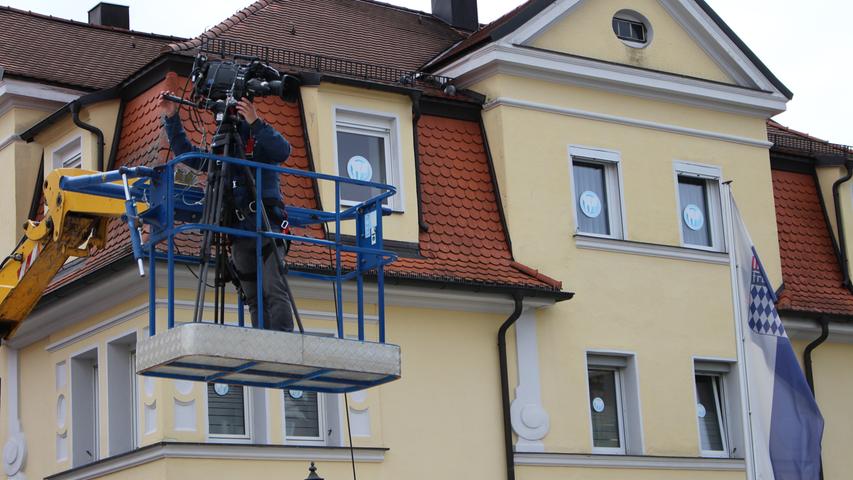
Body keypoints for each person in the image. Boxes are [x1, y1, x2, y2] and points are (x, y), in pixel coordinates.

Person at [158, 91, 294, 332]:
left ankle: (284, 341)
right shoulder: (223, 155)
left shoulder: (259, 140)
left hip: (267, 226)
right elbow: (186, 152)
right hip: (240, 233)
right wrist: (171, 116)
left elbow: (283, 150)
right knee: (252, 295)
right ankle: (263, 341)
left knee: (274, 288)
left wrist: (255, 121)